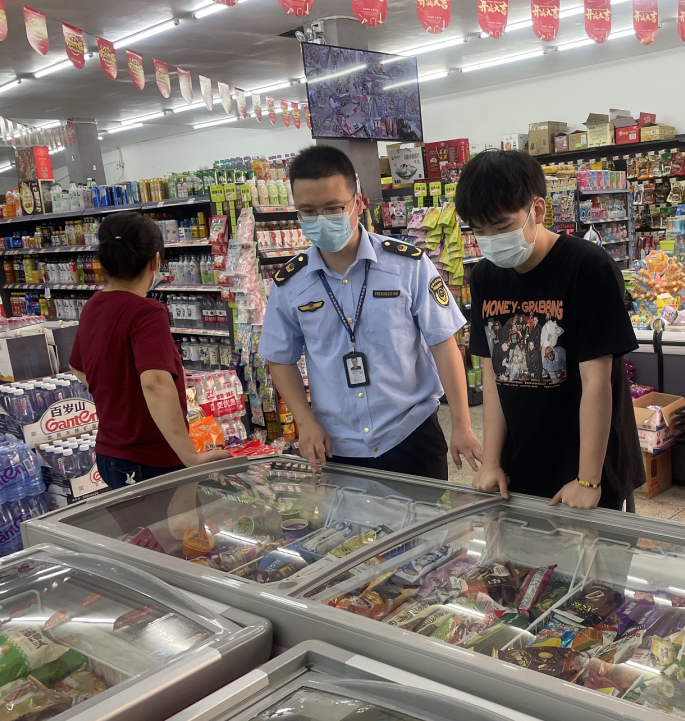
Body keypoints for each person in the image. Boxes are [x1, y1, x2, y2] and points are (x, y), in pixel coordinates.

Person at [259, 145, 481, 480]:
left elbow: (442, 343)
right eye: (308, 211)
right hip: (336, 444)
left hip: (411, 435)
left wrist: (462, 425)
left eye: (333, 208)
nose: (321, 220)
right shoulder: (290, 283)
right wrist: (304, 421)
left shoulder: (408, 265)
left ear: (359, 203)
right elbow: (279, 358)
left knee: (427, 517)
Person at [455, 149, 645, 510]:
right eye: (479, 231)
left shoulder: (588, 267)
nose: (491, 240)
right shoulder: (483, 277)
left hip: (588, 462)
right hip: (519, 463)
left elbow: (597, 381)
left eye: (502, 227)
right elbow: (493, 376)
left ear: (538, 210)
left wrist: (588, 479)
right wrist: (492, 461)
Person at [69, 212, 228, 489]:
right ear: (155, 261)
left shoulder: (94, 304)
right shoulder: (147, 312)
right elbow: (155, 382)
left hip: (109, 453)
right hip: (150, 459)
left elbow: (77, 366)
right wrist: (189, 456)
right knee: (177, 519)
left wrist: (120, 396)